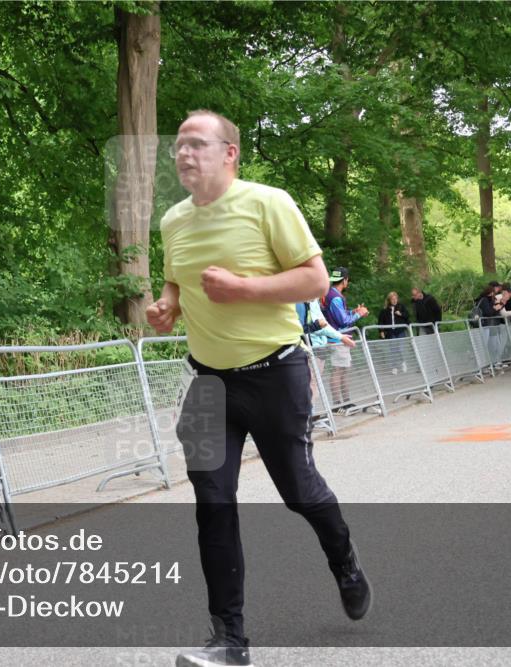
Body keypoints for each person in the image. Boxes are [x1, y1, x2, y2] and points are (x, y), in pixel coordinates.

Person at [148, 110, 370, 667]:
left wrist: (244, 289)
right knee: (212, 504)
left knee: (299, 492)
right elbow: (176, 278)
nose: (184, 154)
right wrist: (167, 305)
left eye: (197, 144)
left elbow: (316, 281)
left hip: (275, 372)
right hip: (208, 381)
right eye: (179, 145)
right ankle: (230, 641)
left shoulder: (268, 202)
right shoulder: (173, 219)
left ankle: (343, 559)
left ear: (230, 153)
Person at [323, 267, 369, 408]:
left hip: (337, 338)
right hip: (338, 340)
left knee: (343, 370)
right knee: (338, 371)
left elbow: (338, 315)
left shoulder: (329, 293)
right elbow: (343, 321)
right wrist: (359, 314)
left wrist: (353, 311)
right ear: (345, 280)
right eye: (347, 279)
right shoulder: (335, 297)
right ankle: (338, 405)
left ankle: (346, 402)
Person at [376, 291, 411, 373]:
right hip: (391, 332)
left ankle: (403, 363)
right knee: (393, 349)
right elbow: (381, 321)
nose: (395, 300)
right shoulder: (384, 310)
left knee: (400, 348)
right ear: (389, 300)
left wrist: (401, 314)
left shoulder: (401, 307)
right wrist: (381, 331)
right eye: (392, 299)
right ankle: (394, 367)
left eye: (396, 299)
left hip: (400, 331)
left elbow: (407, 315)